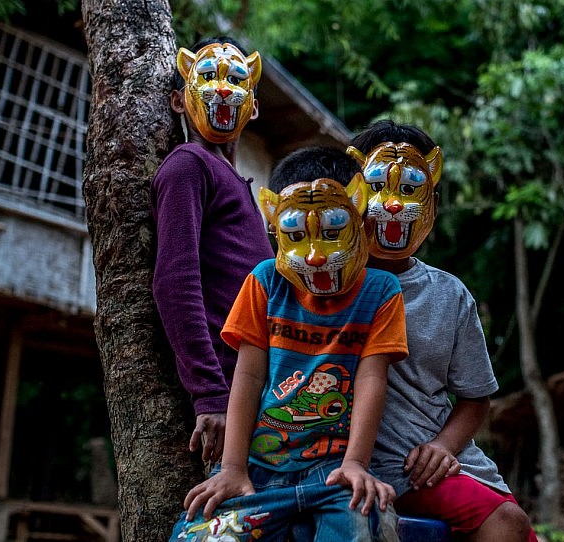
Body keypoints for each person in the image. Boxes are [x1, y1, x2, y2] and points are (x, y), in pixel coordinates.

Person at [169, 146, 408, 542]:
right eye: (297, 236)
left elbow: (371, 379)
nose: (315, 257)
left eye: (332, 232)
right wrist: (232, 467)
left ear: (359, 213)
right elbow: (247, 374)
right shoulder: (265, 281)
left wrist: (356, 463)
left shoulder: (381, 291)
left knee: (371, 523)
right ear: (274, 225)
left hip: (332, 472)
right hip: (260, 468)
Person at [348, 120, 536, 542]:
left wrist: (442, 447)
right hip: (359, 470)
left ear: (431, 200)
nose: (393, 204)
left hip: (431, 467)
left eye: (409, 189)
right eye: (378, 187)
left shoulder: (450, 294)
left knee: (513, 525)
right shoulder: (322, 286)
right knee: (507, 522)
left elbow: (476, 397)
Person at [151, 37, 274, 465]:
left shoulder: (230, 178)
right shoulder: (188, 165)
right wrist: (210, 395)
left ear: (252, 106)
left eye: (236, 80)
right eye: (207, 77)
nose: (223, 90)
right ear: (178, 102)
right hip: (228, 393)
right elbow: (174, 283)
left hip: (261, 390)